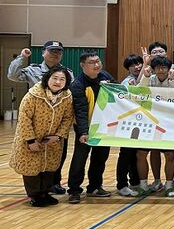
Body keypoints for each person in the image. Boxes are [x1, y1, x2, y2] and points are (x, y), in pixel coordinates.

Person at [7, 40, 74, 195]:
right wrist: (22, 58)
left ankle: (53, 184)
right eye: (52, 51)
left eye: (58, 52)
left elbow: (70, 95)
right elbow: (12, 75)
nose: (55, 54)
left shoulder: (67, 73)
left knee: (56, 156)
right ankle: (36, 192)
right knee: (32, 157)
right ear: (43, 52)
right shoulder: (33, 70)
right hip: (36, 121)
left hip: (56, 122)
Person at [67, 52, 115, 204]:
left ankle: (94, 187)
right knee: (79, 159)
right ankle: (74, 190)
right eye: (92, 62)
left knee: (100, 159)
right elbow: (80, 110)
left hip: (103, 127)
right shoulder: (77, 84)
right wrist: (83, 132)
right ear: (83, 65)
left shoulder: (106, 76)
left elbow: (119, 94)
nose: (96, 64)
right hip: (85, 127)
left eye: (98, 61)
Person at [137, 56, 174, 196]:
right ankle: (144, 184)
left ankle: (169, 184)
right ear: (153, 69)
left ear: (169, 69)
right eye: (157, 68)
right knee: (141, 154)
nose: (161, 70)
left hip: (169, 124)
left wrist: (173, 80)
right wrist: (145, 77)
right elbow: (138, 92)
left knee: (170, 154)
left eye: (163, 68)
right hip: (148, 122)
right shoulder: (149, 79)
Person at [116, 53, 145, 197]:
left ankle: (135, 182)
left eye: (138, 63)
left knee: (136, 155)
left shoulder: (147, 77)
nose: (137, 67)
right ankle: (122, 184)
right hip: (129, 123)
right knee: (126, 154)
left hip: (143, 123)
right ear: (128, 69)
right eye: (132, 65)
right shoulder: (127, 82)